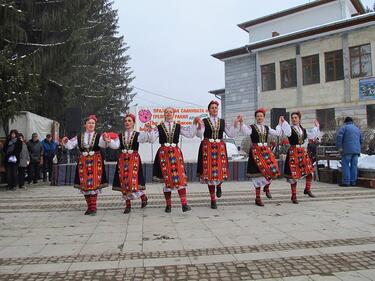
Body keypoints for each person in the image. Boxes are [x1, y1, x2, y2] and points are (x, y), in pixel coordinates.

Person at [149, 107, 199, 213]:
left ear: (173, 114)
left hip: (175, 153)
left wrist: (194, 124)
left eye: (170, 112)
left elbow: (189, 134)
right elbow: (152, 139)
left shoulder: (178, 126)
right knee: (167, 179)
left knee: (180, 177)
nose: (168, 114)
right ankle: (168, 205)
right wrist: (149, 130)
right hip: (163, 154)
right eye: (166, 112)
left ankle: (184, 205)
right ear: (164, 114)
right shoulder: (158, 127)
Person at [239, 108, 289, 206]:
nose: (259, 118)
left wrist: (280, 124)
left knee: (274, 170)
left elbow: (277, 133)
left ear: (264, 117)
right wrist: (241, 123)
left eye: (261, 116)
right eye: (258, 116)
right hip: (256, 151)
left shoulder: (267, 128)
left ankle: (266, 187)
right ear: (256, 117)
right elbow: (246, 132)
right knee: (258, 175)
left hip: (266, 151)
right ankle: (257, 198)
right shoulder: (252, 127)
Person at [196, 100, 240, 209]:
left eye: (216, 107)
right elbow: (199, 134)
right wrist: (198, 126)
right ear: (209, 110)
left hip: (219, 147)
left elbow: (230, 134)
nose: (214, 109)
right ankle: (213, 200)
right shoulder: (204, 121)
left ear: (217, 109)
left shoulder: (222, 122)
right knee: (209, 174)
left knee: (220, 170)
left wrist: (235, 124)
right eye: (212, 108)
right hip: (207, 148)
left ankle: (219, 185)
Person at [62, 115, 108, 215]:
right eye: (89, 123)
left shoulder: (99, 136)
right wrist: (66, 141)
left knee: (94, 184)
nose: (91, 125)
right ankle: (89, 207)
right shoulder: (79, 137)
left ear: (95, 125)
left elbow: (103, 145)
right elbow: (70, 145)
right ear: (85, 124)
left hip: (96, 161)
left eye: (93, 123)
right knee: (85, 185)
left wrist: (105, 139)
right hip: (83, 162)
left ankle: (93, 207)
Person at [106, 114, 149, 214]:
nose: (127, 123)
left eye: (129, 121)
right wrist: (109, 141)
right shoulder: (120, 136)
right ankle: (128, 205)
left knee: (131, 181)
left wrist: (146, 131)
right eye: (125, 121)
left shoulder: (137, 135)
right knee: (124, 181)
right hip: (122, 159)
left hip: (133, 159)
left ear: (133, 123)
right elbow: (116, 146)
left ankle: (142, 197)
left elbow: (144, 139)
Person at [283, 112, 320, 204]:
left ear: (299, 119)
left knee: (309, 171)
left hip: (302, 152)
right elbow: (287, 132)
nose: (294, 119)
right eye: (292, 118)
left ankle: (307, 189)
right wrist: (284, 123)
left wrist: (316, 127)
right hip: (293, 152)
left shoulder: (303, 129)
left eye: (296, 117)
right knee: (294, 175)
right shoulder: (290, 129)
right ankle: (293, 196)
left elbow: (311, 136)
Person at [336, 117, 363, 187]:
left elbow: (339, 138)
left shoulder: (344, 128)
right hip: (356, 151)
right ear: (352, 122)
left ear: (345, 122)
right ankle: (353, 182)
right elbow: (361, 140)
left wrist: (339, 147)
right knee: (354, 166)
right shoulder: (357, 129)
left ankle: (346, 182)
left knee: (346, 166)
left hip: (347, 151)